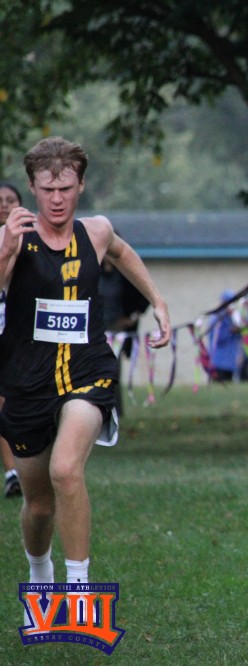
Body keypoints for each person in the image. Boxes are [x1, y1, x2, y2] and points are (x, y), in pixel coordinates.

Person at [0, 137, 171, 592]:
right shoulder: (13, 237)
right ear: (33, 188)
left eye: (66, 188)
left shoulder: (95, 231)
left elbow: (122, 252)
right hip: (26, 380)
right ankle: (40, 575)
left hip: (87, 371)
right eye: (47, 189)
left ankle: (79, 590)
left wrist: (158, 301)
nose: (57, 199)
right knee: (39, 504)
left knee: (65, 469)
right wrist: (6, 249)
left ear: (80, 185)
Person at [99, 252, 150, 414]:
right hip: (95, 328)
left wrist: (132, 317)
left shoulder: (124, 275)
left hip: (117, 329)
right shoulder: (92, 272)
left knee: (113, 368)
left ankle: (115, 409)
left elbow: (143, 297)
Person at [0, 181, 22, 497]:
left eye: (10, 200)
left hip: (21, 329)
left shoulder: (32, 239)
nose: (4, 205)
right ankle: (13, 471)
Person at [207, 289, 242, 382]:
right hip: (219, 362)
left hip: (231, 362)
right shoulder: (217, 318)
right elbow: (217, 338)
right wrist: (231, 331)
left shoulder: (233, 317)